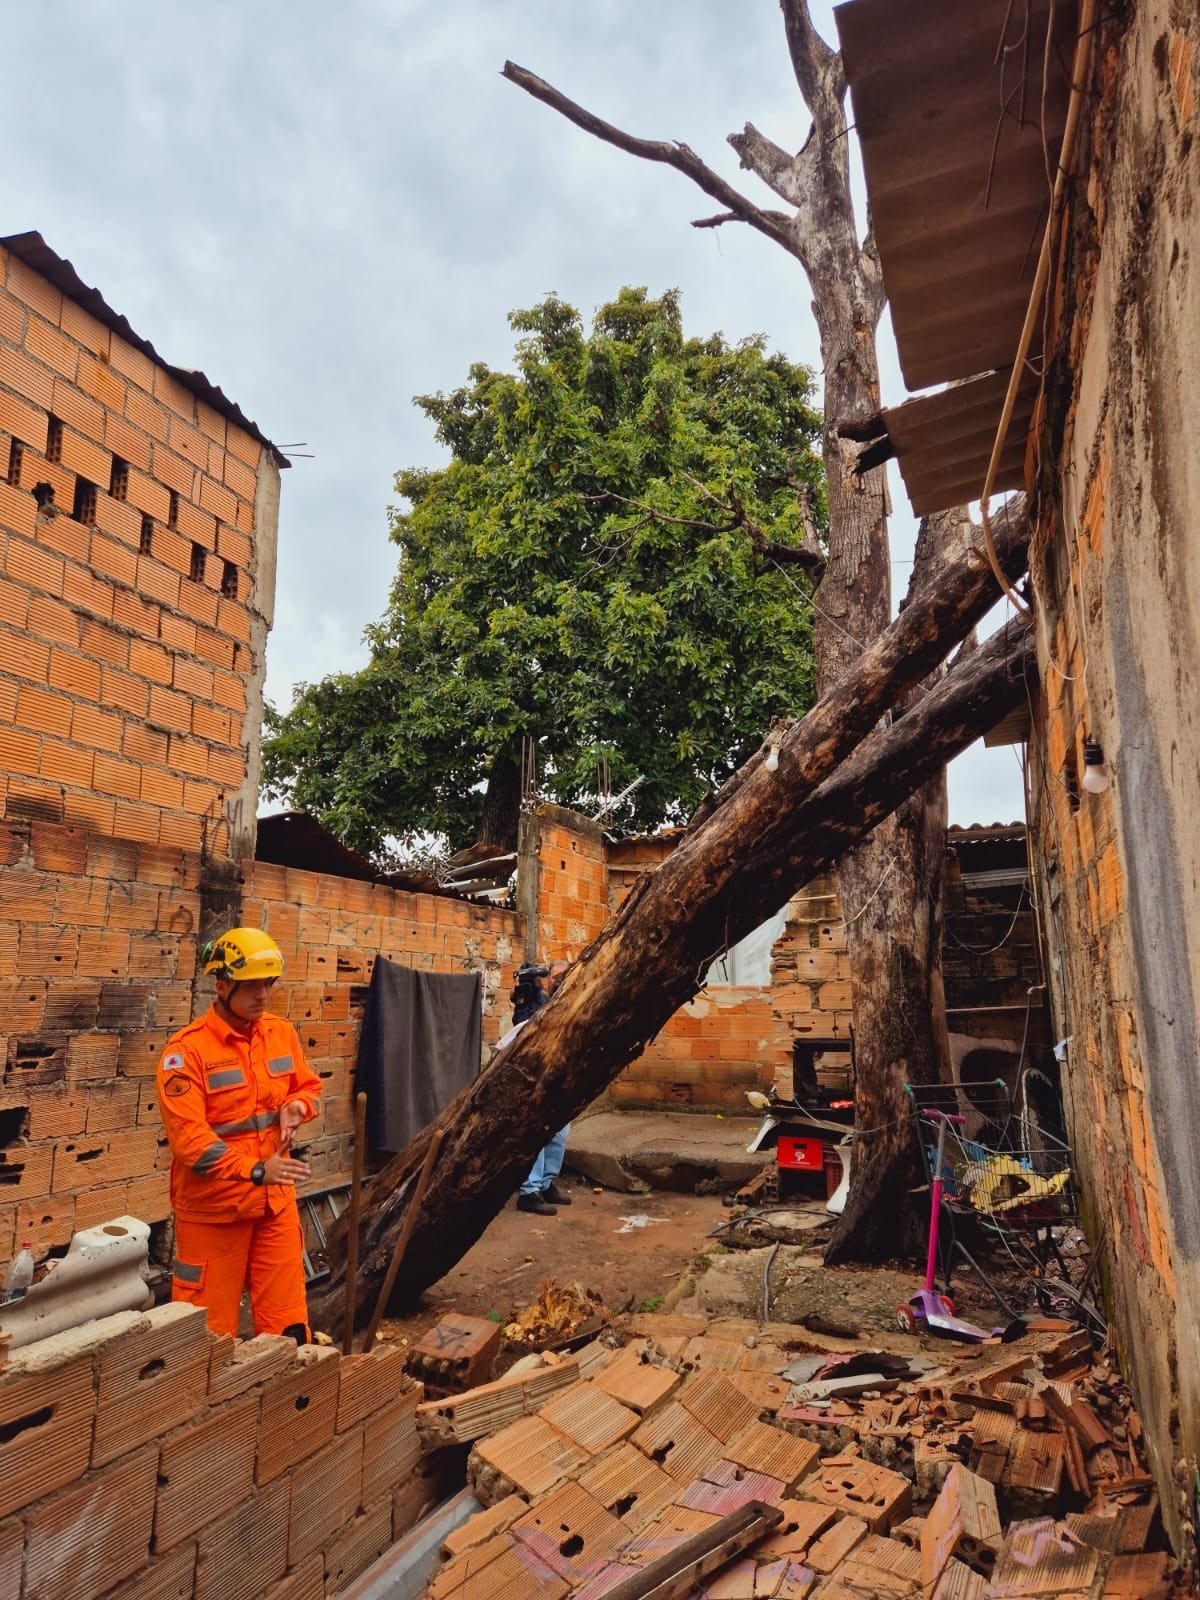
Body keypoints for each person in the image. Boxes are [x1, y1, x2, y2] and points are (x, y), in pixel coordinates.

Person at [156, 927, 322, 1340]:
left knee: (288, 1326)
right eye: (251, 986)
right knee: (205, 1336)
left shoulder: (279, 1033)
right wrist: (255, 1170)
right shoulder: (186, 1053)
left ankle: (287, 1401)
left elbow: (308, 1085)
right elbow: (191, 1143)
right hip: (214, 1213)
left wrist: (297, 1106)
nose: (262, 995)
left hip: (274, 1207)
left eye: (268, 984)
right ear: (222, 985)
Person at [497, 960, 574, 1216]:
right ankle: (529, 1191)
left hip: (559, 1077)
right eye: (554, 977)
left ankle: (546, 1183)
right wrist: (520, 1001)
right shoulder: (537, 998)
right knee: (536, 1133)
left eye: (562, 976)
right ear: (546, 980)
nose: (557, 981)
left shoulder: (574, 998)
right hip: (536, 1079)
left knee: (560, 1132)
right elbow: (522, 1025)